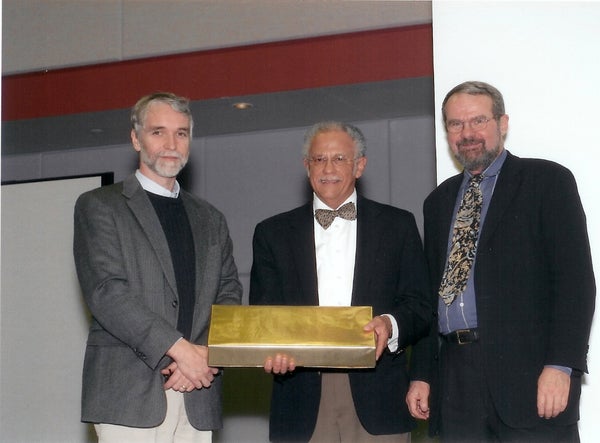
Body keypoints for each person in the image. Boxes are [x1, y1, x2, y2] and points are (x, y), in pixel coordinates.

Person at [406, 81, 595, 442]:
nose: (467, 134)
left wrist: (561, 365)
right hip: (456, 384)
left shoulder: (547, 181)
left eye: (478, 120)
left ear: (502, 123)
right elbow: (433, 298)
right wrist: (423, 374)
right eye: (455, 124)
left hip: (531, 378)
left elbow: (575, 282)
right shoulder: (438, 202)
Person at [73, 92, 242, 442]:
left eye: (181, 133)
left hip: (198, 390)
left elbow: (229, 293)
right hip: (129, 395)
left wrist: (207, 356)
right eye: (158, 132)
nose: (171, 143)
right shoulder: (100, 206)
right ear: (136, 138)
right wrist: (182, 351)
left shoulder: (211, 218)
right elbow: (107, 293)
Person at [249, 121, 432, 442]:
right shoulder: (271, 234)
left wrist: (390, 325)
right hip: (300, 398)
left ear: (360, 165)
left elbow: (421, 305)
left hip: (378, 397)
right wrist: (274, 349)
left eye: (339, 159)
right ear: (306, 167)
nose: (328, 168)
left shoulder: (398, 225)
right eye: (319, 159)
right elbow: (264, 315)